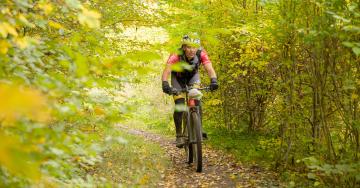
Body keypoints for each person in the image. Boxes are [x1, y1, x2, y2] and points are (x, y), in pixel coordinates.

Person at [161, 33, 218, 147]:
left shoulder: (201, 53)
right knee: (180, 105)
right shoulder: (176, 55)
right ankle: (179, 135)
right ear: (183, 47)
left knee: (196, 98)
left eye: (194, 47)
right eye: (189, 47)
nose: (192, 50)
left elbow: (209, 68)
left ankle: (199, 129)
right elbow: (166, 71)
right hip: (178, 79)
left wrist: (214, 80)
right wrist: (165, 84)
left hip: (193, 77)